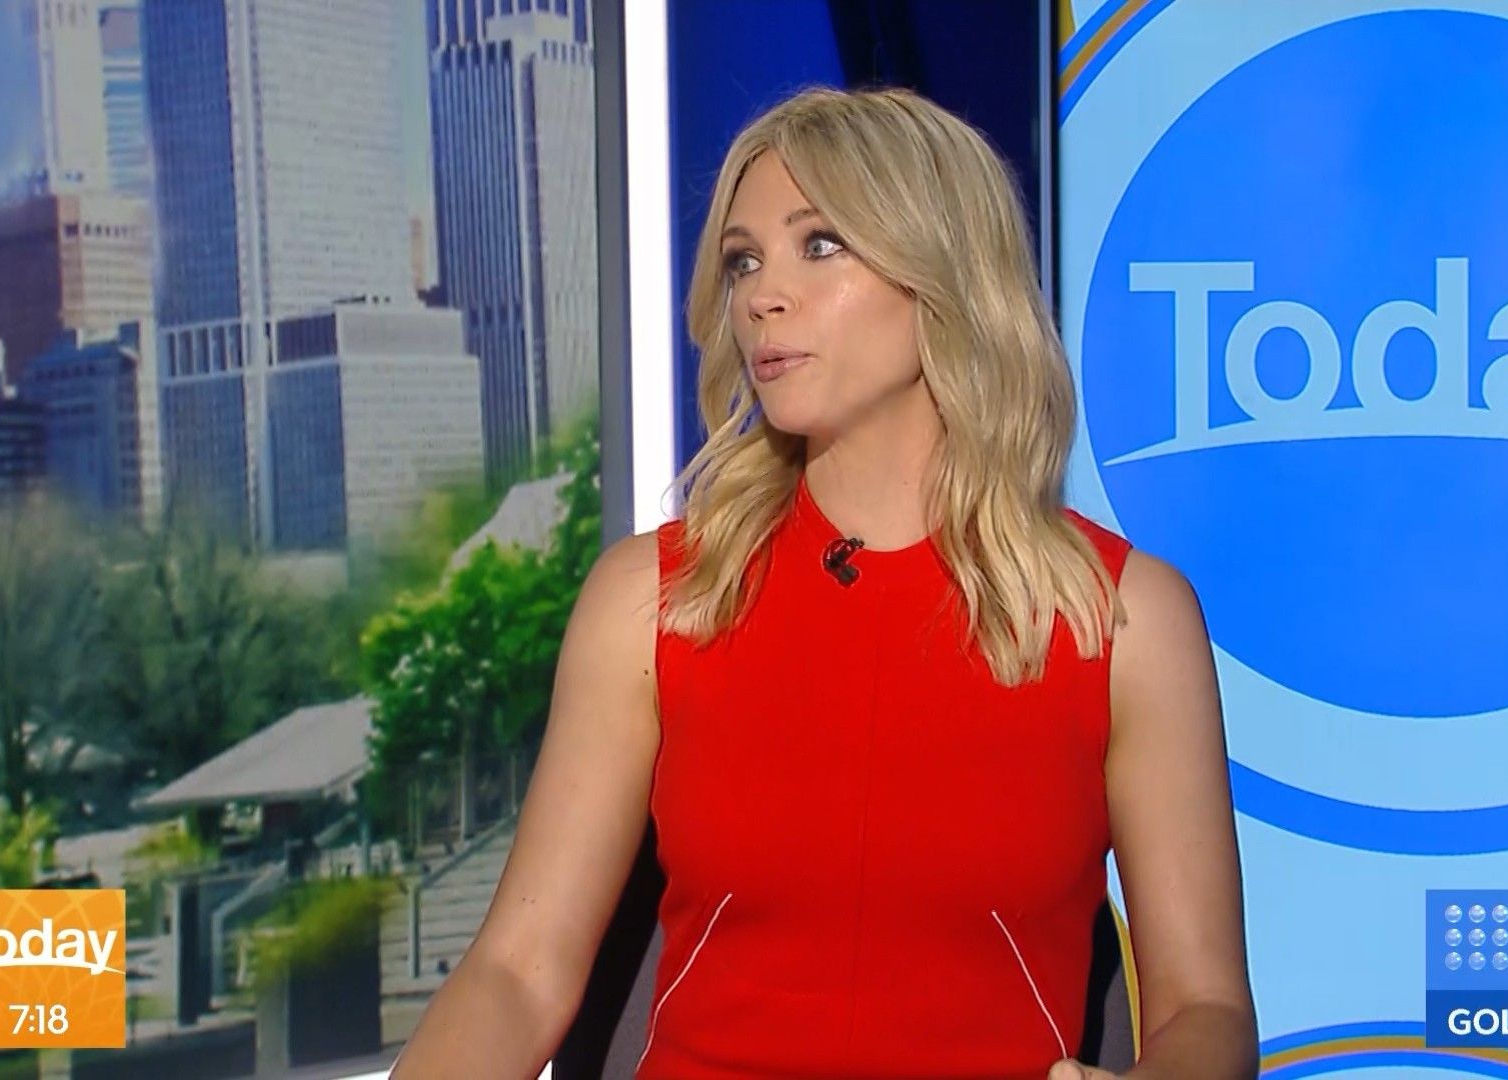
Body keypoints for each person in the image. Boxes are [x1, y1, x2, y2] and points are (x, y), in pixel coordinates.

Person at [390, 86, 1257, 1080]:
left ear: (943, 274)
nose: (763, 295)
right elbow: (516, 973)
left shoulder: (1126, 621)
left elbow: (1206, 1010)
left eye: (821, 244)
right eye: (744, 260)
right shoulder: (654, 600)